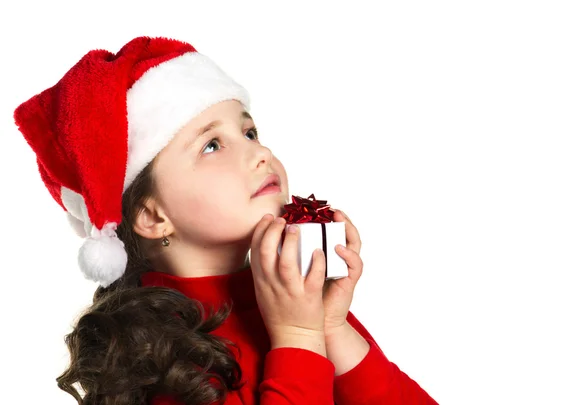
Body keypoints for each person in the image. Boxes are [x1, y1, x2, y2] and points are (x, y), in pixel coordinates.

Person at [13, 36, 438, 405]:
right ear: (152, 215)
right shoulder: (157, 356)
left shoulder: (295, 301)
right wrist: (297, 337)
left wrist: (331, 326)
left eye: (250, 133)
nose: (260, 154)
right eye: (212, 145)